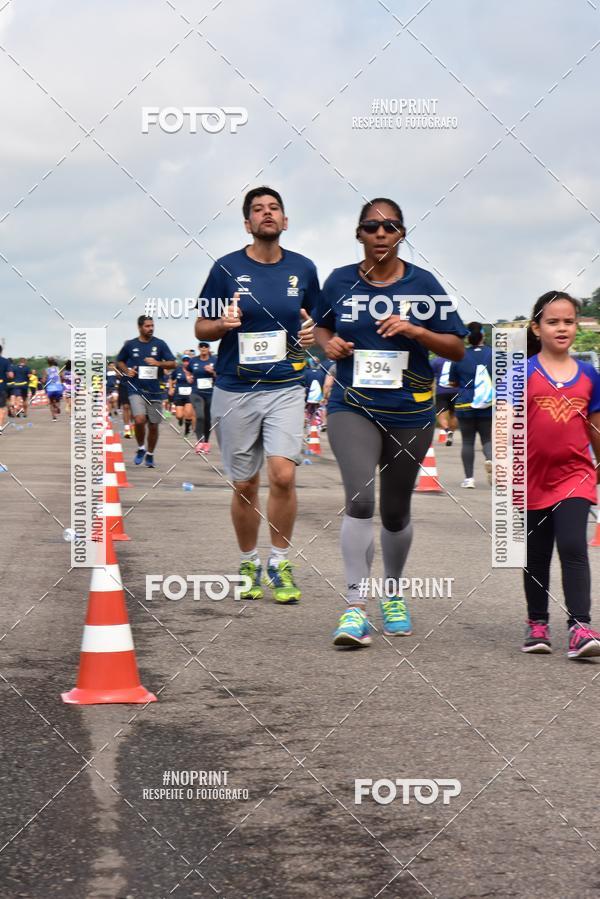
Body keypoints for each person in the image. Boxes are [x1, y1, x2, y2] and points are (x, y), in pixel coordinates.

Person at [313, 197, 467, 647]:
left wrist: (416, 330)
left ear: (402, 234)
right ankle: (355, 606)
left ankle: (393, 594)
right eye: (371, 226)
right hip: (352, 405)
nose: (381, 234)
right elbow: (322, 327)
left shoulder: (424, 284)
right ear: (358, 233)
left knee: (396, 511)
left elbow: (456, 347)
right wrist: (329, 344)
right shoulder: (339, 281)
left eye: (390, 226)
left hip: (410, 411)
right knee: (361, 500)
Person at [195, 186, 320, 603]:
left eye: (274, 208)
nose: (267, 213)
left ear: (285, 220)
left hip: (286, 385)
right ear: (247, 224)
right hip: (235, 388)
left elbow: (317, 324)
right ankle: (248, 562)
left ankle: (280, 562)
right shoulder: (226, 268)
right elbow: (201, 327)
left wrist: (311, 334)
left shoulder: (303, 269)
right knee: (245, 484)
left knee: (283, 474)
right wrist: (222, 325)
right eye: (258, 209)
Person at [523, 290, 600, 659]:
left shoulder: (589, 375)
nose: (562, 328)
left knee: (572, 546)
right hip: (530, 478)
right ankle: (537, 623)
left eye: (569, 321)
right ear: (537, 328)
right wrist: (505, 470)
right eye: (553, 321)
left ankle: (580, 627)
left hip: (575, 475)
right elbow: (505, 425)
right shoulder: (521, 372)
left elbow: (595, 427)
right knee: (536, 554)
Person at [116, 315, 176, 468]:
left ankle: (150, 454)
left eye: (152, 325)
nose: (151, 328)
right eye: (147, 326)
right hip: (136, 389)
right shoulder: (131, 345)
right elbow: (119, 361)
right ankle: (141, 448)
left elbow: (173, 363)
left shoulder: (160, 344)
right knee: (139, 420)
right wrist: (126, 370)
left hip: (155, 392)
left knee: (154, 425)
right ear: (139, 327)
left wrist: (158, 363)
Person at [447, 322, 493, 488]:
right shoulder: (494, 354)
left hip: (465, 403)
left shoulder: (459, 355)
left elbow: (452, 382)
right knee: (487, 438)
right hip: (487, 403)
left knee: (467, 441)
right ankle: (490, 459)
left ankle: (469, 479)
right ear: (483, 335)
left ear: (467, 337)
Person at [188, 342, 217, 454]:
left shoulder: (215, 360)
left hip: (210, 393)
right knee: (200, 416)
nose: (203, 348)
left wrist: (212, 372)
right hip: (196, 393)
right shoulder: (193, 361)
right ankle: (199, 442)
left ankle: (206, 442)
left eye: (206, 346)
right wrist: (189, 377)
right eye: (201, 346)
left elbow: (220, 375)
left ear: (209, 348)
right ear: (199, 348)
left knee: (208, 419)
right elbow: (188, 371)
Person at [431, 354, 458, 445]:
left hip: (441, 392)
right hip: (455, 391)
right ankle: (451, 435)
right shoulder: (457, 360)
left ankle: (447, 430)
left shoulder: (436, 361)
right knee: (453, 414)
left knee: (440, 414)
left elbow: (430, 376)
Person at [169, 355, 195, 436]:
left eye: (187, 361)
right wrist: (171, 388)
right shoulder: (178, 370)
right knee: (179, 416)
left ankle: (187, 430)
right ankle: (180, 419)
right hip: (179, 395)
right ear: (182, 362)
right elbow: (171, 379)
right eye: (184, 361)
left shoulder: (193, 370)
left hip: (189, 395)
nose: (186, 363)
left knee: (188, 414)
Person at [0, 346, 13, 433]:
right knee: (1, 407)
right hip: (1, 386)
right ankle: (0, 426)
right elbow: (11, 375)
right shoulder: (5, 361)